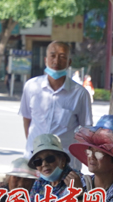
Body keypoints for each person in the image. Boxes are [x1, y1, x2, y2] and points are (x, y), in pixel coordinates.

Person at [19, 41, 92, 170]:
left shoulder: (80, 94)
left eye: (62, 57)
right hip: (35, 160)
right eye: (52, 56)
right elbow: (27, 119)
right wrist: (34, 145)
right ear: (45, 60)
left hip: (65, 164)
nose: (56, 61)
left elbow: (85, 131)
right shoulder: (31, 86)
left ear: (69, 62)